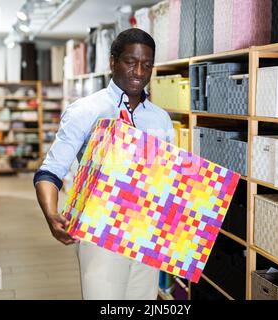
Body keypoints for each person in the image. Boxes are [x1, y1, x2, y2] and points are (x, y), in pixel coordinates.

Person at [34, 28, 174, 300]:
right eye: (130, 62)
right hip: (100, 231)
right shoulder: (85, 111)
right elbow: (50, 171)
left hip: (147, 231)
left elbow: (167, 177)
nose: (138, 72)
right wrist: (51, 214)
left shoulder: (161, 119)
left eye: (147, 65)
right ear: (113, 61)